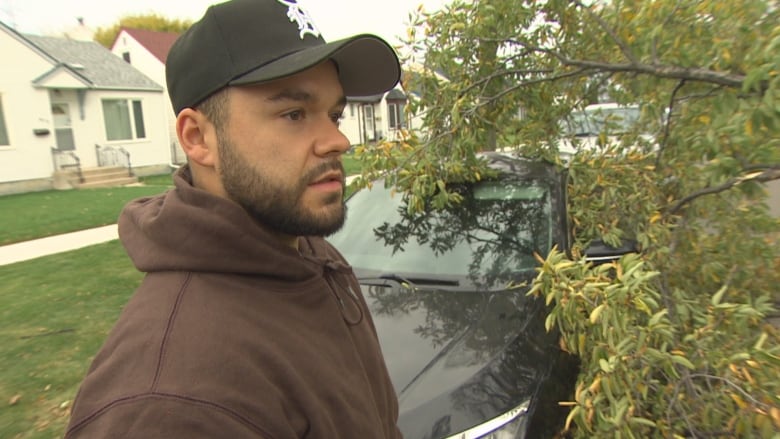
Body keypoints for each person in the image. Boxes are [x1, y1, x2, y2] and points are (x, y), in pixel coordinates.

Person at [64, 0, 402, 437]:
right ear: (198, 137)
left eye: (334, 115)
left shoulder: (314, 259)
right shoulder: (169, 402)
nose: (337, 140)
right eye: (294, 114)